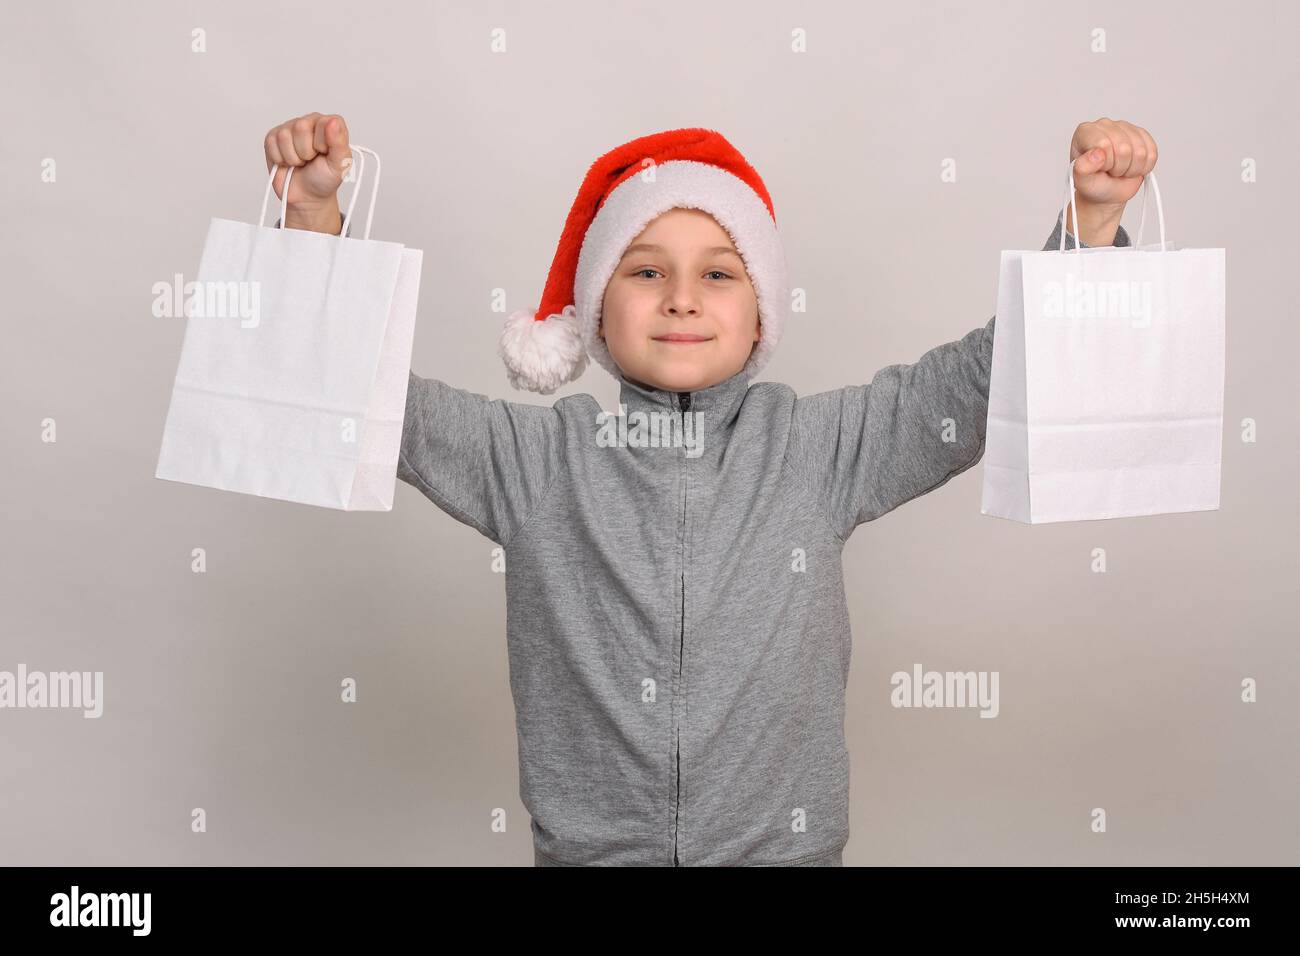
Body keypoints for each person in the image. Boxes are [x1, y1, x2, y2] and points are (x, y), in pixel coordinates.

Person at [264, 114, 1153, 866]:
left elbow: (984, 380)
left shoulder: (818, 449)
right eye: (646, 271)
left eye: (720, 273)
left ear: (760, 310)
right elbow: (370, 401)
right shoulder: (537, 460)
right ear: (594, 310)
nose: (683, 298)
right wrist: (312, 223)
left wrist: (1091, 225)